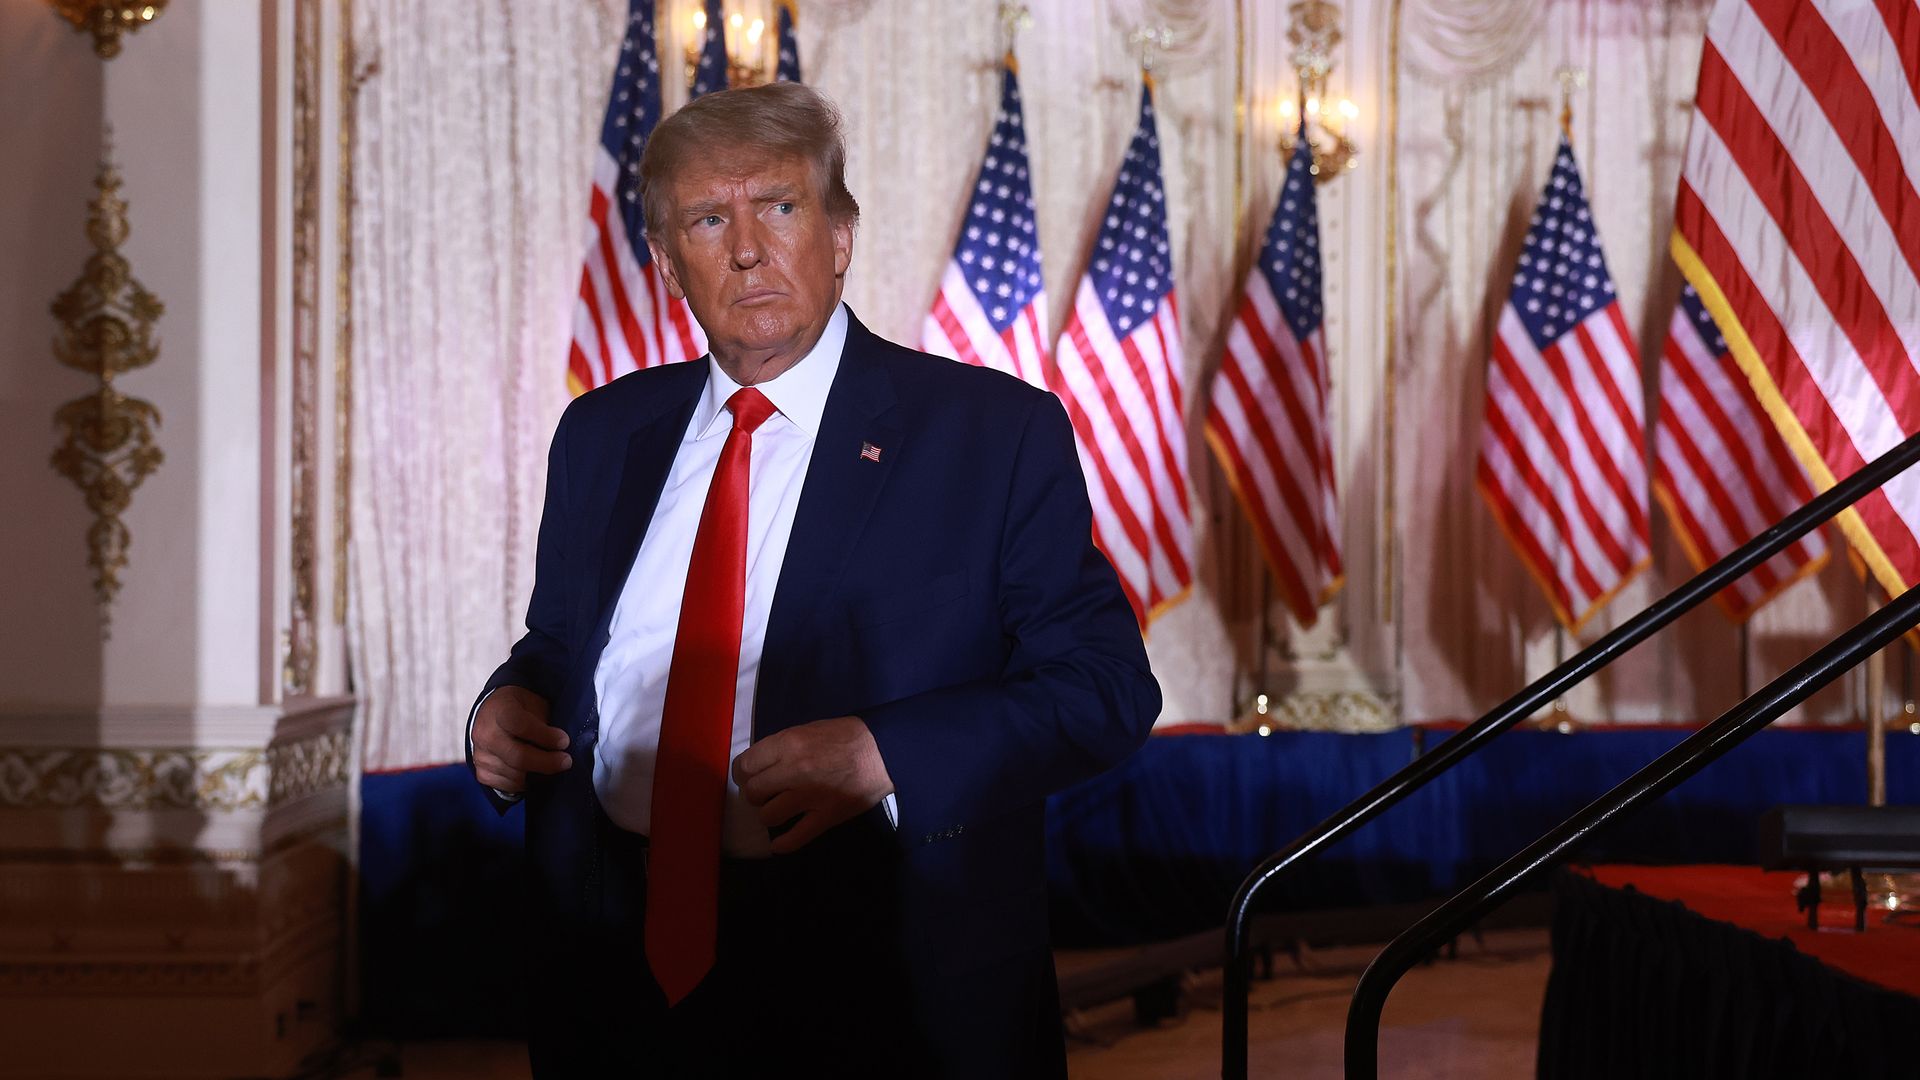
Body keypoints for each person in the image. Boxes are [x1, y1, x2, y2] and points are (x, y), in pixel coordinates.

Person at [467, 81, 1158, 1077]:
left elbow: (1105, 689)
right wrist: (505, 705)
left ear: (838, 235)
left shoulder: (988, 434)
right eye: (710, 219)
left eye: (780, 208)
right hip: (615, 968)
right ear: (668, 264)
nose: (748, 248)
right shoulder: (604, 435)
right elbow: (563, 648)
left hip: (879, 985)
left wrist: (888, 754)